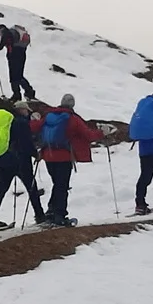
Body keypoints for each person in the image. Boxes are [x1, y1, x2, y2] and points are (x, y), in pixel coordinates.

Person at [35, 93, 104, 226]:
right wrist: (102, 132)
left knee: (57, 184)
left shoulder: (49, 116)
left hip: (48, 156)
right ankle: (60, 215)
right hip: (64, 156)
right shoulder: (72, 119)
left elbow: (35, 127)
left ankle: (51, 212)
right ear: (72, 105)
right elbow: (88, 135)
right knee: (62, 186)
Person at [0, 101, 46, 229]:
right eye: (26, 110)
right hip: (20, 162)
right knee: (32, 188)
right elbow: (26, 143)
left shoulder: (7, 122)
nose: (28, 112)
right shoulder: (21, 123)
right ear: (22, 110)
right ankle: (40, 215)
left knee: (0, 191)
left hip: (3, 160)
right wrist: (36, 154)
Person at [0, 24, 35, 101]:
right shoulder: (13, 33)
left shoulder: (5, 32)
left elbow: (1, 45)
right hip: (22, 54)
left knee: (13, 77)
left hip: (14, 56)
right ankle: (29, 91)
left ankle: (16, 95)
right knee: (19, 75)